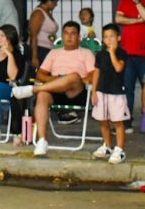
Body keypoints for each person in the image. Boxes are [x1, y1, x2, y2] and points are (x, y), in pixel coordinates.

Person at [12, 21, 96, 157]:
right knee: (42, 96)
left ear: (79, 37)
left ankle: (32, 89)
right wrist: (58, 80)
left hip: (76, 91)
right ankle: (42, 140)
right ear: (62, 36)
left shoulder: (86, 53)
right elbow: (40, 74)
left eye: (73, 34)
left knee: (73, 76)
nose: (69, 37)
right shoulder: (54, 53)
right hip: (56, 89)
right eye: (66, 34)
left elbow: (93, 74)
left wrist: (73, 80)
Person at [90, 23, 129, 164]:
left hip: (116, 92)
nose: (108, 39)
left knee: (118, 122)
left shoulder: (122, 53)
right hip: (102, 92)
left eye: (112, 36)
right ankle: (107, 146)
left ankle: (120, 149)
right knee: (103, 120)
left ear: (118, 38)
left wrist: (112, 52)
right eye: (105, 37)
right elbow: (96, 72)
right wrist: (94, 91)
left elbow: (118, 68)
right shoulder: (100, 55)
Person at [27, 0, 60, 72]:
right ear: (49, 1)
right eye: (55, 2)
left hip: (47, 49)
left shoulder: (47, 12)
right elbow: (33, 35)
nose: (56, 5)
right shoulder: (38, 13)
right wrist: (35, 56)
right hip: (39, 50)